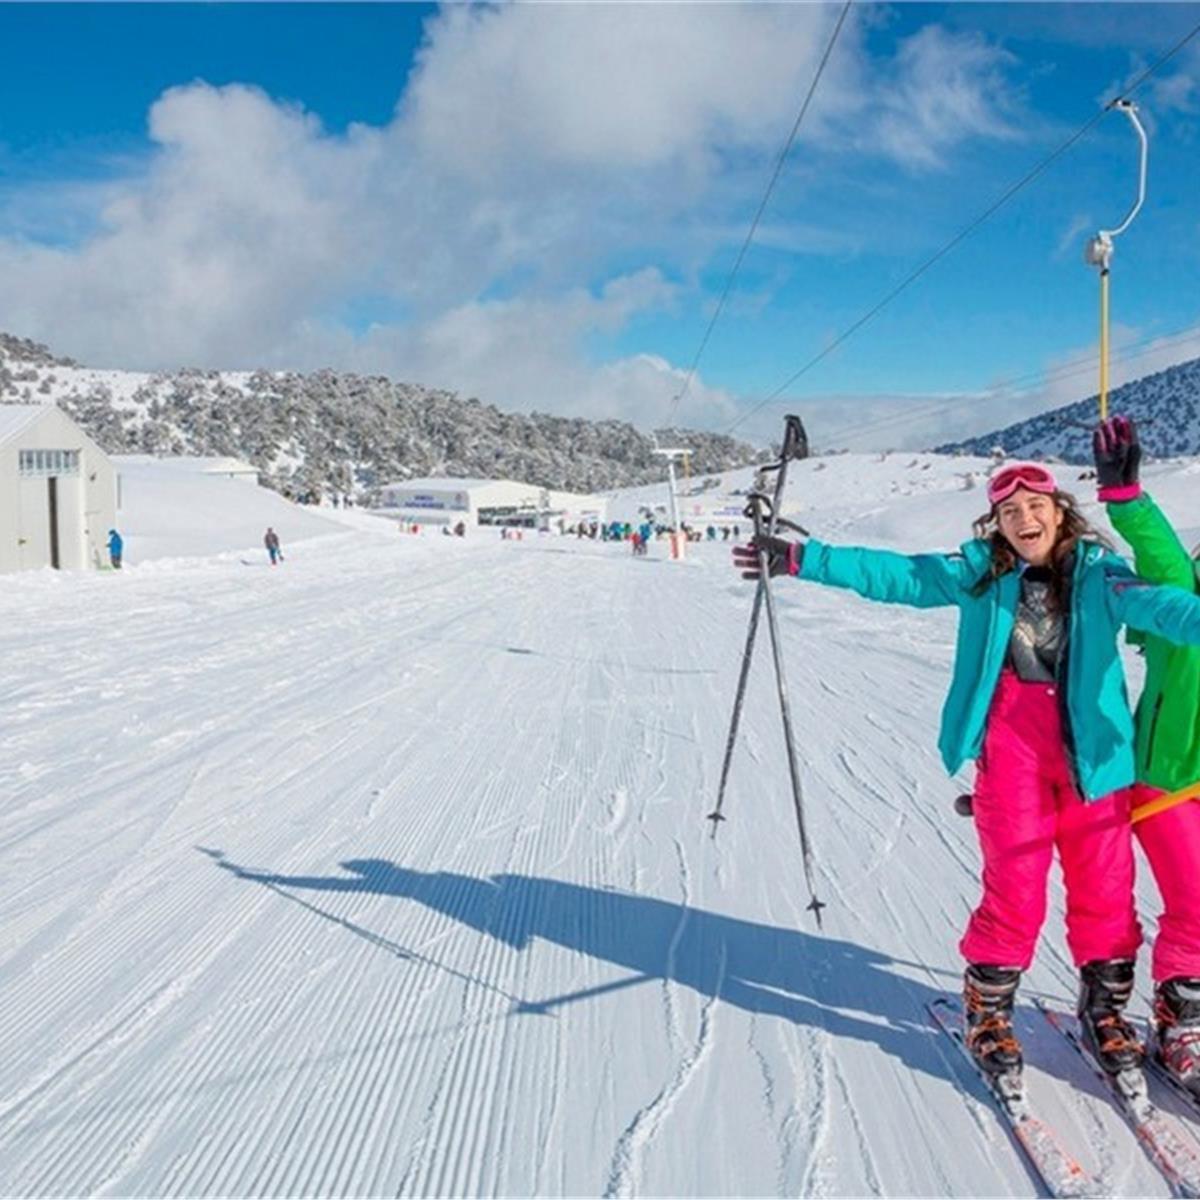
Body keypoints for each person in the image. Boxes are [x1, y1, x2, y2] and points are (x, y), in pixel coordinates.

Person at [734, 462, 1200, 1079]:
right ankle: (987, 1009)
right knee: (1016, 888)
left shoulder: (1100, 576)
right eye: (1010, 512)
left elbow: (1164, 606)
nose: (1024, 519)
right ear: (997, 523)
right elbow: (899, 576)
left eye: (1036, 507)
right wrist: (802, 558)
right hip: (1013, 759)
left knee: (1106, 890)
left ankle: (1106, 1010)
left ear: (1059, 511)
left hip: (1096, 762)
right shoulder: (979, 573)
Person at [1094, 416, 1200, 1094]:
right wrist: (1127, 498)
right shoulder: (1181, 607)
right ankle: (1183, 1022)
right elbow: (1161, 558)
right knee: (1195, 902)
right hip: (1168, 784)